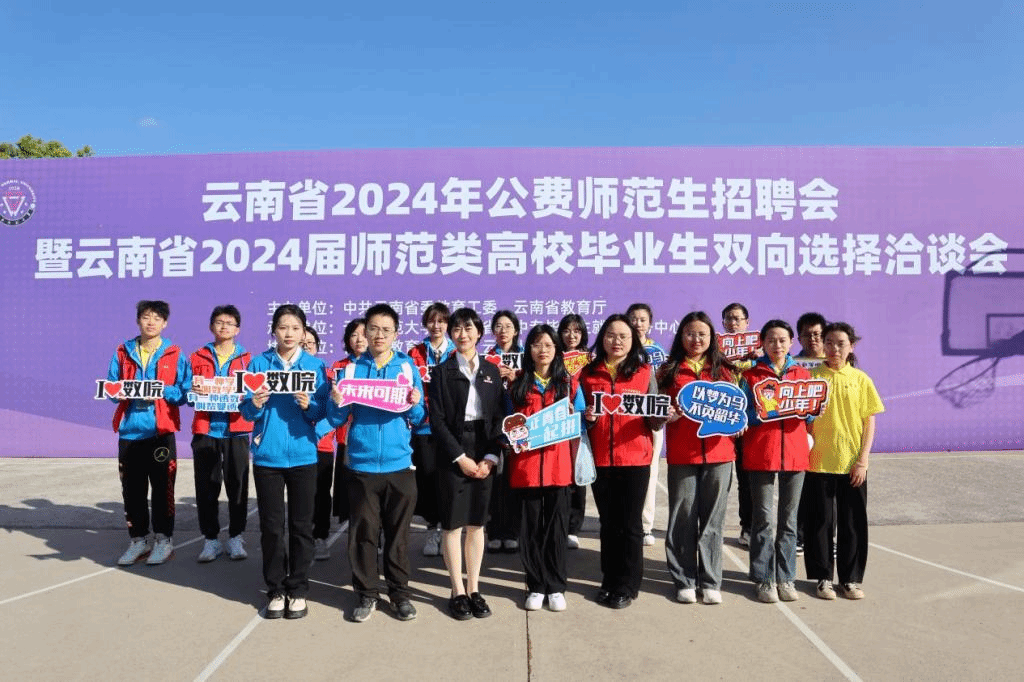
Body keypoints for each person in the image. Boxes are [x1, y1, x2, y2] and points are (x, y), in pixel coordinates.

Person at [328, 303, 425, 623]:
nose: (379, 335)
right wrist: (336, 402)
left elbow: (419, 417)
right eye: (373, 329)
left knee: (399, 536)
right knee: (363, 534)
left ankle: (400, 594)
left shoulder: (407, 367)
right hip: (362, 464)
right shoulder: (351, 370)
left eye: (386, 330)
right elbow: (336, 418)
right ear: (364, 332)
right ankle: (367, 593)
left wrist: (414, 403)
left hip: (399, 464)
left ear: (396, 334)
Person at [239, 304, 329, 620]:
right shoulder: (258, 363)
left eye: (295, 328)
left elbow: (323, 411)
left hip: (304, 455)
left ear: (304, 332)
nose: (288, 333)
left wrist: (309, 406)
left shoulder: (315, 366)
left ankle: (298, 589)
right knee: (272, 527)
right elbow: (245, 411)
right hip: (268, 456)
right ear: (273, 330)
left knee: (302, 526)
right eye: (282, 327)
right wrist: (255, 403)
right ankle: (276, 589)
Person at [427, 308, 506, 620]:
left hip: (484, 449)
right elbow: (437, 421)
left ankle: (474, 588)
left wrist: (491, 457)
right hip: (453, 452)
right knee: (452, 523)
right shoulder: (441, 372)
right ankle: (457, 590)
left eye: (469, 328)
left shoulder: (492, 371)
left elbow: (500, 417)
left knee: (476, 523)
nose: (463, 334)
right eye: (457, 329)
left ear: (479, 333)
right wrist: (460, 458)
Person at [580, 314, 664, 609]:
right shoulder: (588, 373)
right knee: (608, 523)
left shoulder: (644, 372)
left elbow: (654, 420)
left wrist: (661, 416)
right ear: (602, 338)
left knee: (630, 525)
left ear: (633, 340)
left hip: (635, 458)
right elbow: (580, 417)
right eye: (611, 335)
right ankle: (609, 579)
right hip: (601, 458)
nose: (617, 341)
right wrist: (588, 418)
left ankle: (627, 585)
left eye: (623, 336)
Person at [659, 311, 737, 605]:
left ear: (711, 337)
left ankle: (711, 580)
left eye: (702, 334)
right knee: (683, 518)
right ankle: (684, 580)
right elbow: (656, 409)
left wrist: (738, 421)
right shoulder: (668, 371)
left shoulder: (725, 369)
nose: (696, 339)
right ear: (681, 336)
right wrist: (667, 415)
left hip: (720, 453)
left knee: (713, 519)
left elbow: (739, 406)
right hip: (683, 454)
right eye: (690, 334)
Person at [507, 324, 585, 612]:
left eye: (549, 345)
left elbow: (582, 418)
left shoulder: (568, 384)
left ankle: (556, 586)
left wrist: (578, 415)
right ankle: (535, 585)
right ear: (528, 349)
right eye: (537, 344)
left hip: (558, 468)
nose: (543, 350)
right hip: (526, 468)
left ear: (557, 350)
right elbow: (506, 422)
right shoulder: (517, 384)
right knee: (530, 531)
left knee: (556, 530)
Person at [806, 322, 884, 600]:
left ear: (851, 346)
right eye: (828, 342)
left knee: (852, 524)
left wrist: (863, 461)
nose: (834, 349)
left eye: (840, 343)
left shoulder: (861, 379)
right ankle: (823, 578)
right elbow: (803, 420)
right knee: (820, 523)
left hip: (852, 464)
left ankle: (850, 580)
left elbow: (869, 422)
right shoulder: (812, 378)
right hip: (818, 462)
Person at [110, 300, 191, 567]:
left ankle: (163, 540)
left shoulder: (175, 353)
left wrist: (159, 390)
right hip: (130, 433)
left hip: (160, 432)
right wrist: (120, 391)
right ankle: (138, 540)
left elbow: (184, 393)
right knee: (132, 491)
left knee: (162, 489)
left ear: (165, 323)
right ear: (138, 321)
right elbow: (111, 388)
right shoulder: (123, 352)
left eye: (157, 318)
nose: (151, 322)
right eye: (146, 317)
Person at [740, 320, 812, 604]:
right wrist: (764, 412)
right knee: (763, 519)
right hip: (762, 452)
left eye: (782, 340)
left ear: (791, 342)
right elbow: (744, 412)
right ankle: (763, 578)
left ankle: (786, 576)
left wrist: (808, 410)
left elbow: (811, 414)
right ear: (763, 343)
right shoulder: (751, 375)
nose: (777, 345)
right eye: (771, 340)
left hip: (795, 454)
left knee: (789, 521)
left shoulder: (802, 374)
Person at [189, 304, 251, 563]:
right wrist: (192, 391)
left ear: (238, 329)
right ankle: (211, 539)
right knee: (206, 487)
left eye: (229, 323)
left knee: (238, 487)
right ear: (211, 326)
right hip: (206, 430)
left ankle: (236, 536)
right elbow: (184, 391)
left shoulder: (248, 360)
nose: (224, 327)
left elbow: (255, 392)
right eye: (219, 322)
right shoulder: (197, 357)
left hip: (237, 431)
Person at [408, 302, 456, 558]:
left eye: (441, 321)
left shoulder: (456, 351)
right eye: (432, 321)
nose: (436, 326)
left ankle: (448, 529)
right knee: (427, 479)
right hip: (424, 427)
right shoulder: (415, 352)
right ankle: (431, 528)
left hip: (450, 427)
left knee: (448, 479)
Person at [626, 302, 666, 547]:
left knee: (650, 472)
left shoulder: (658, 352)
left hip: (651, 419)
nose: (637, 323)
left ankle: (645, 525)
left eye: (642, 319)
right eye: (633, 318)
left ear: (650, 323)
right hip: (625, 419)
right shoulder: (620, 348)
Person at [485, 310, 524, 553]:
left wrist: (515, 378)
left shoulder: (526, 358)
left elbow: (530, 390)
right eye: (498, 326)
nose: (503, 331)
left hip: (520, 427)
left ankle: (512, 532)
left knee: (514, 481)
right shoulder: (487, 358)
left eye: (508, 326)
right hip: (494, 428)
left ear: (516, 330)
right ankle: (494, 531)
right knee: (494, 484)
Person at [793, 311, 828, 556]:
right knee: (801, 490)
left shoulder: (836, 362)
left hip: (829, 436)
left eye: (817, 334)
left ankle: (826, 539)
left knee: (826, 494)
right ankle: (799, 536)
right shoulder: (793, 365)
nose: (813, 339)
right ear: (799, 338)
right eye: (807, 335)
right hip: (801, 436)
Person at [722, 302, 756, 549]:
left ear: (747, 322)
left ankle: (749, 527)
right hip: (722, 420)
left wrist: (758, 356)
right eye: (728, 319)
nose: (733, 323)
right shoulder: (716, 349)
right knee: (720, 479)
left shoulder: (759, 351)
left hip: (749, 424)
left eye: (737, 319)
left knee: (747, 479)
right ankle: (711, 526)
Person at [329, 318, 367, 526]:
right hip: (347, 437)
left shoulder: (381, 367)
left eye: (364, 334)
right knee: (350, 491)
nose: (359, 339)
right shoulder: (340, 366)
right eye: (354, 335)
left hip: (371, 436)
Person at [557, 313, 590, 550]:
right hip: (558, 426)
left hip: (581, 425)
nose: (571, 335)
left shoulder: (590, 361)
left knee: (578, 478)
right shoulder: (553, 357)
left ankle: (573, 528)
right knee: (560, 476)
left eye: (577, 331)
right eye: (567, 330)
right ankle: (558, 524)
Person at [303, 326, 335, 561]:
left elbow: (332, 411)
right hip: (295, 443)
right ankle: (302, 538)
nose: (306, 347)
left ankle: (320, 536)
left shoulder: (327, 374)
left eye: (310, 344)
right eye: (302, 343)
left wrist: (316, 434)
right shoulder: (283, 373)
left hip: (321, 444)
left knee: (321, 493)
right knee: (300, 494)